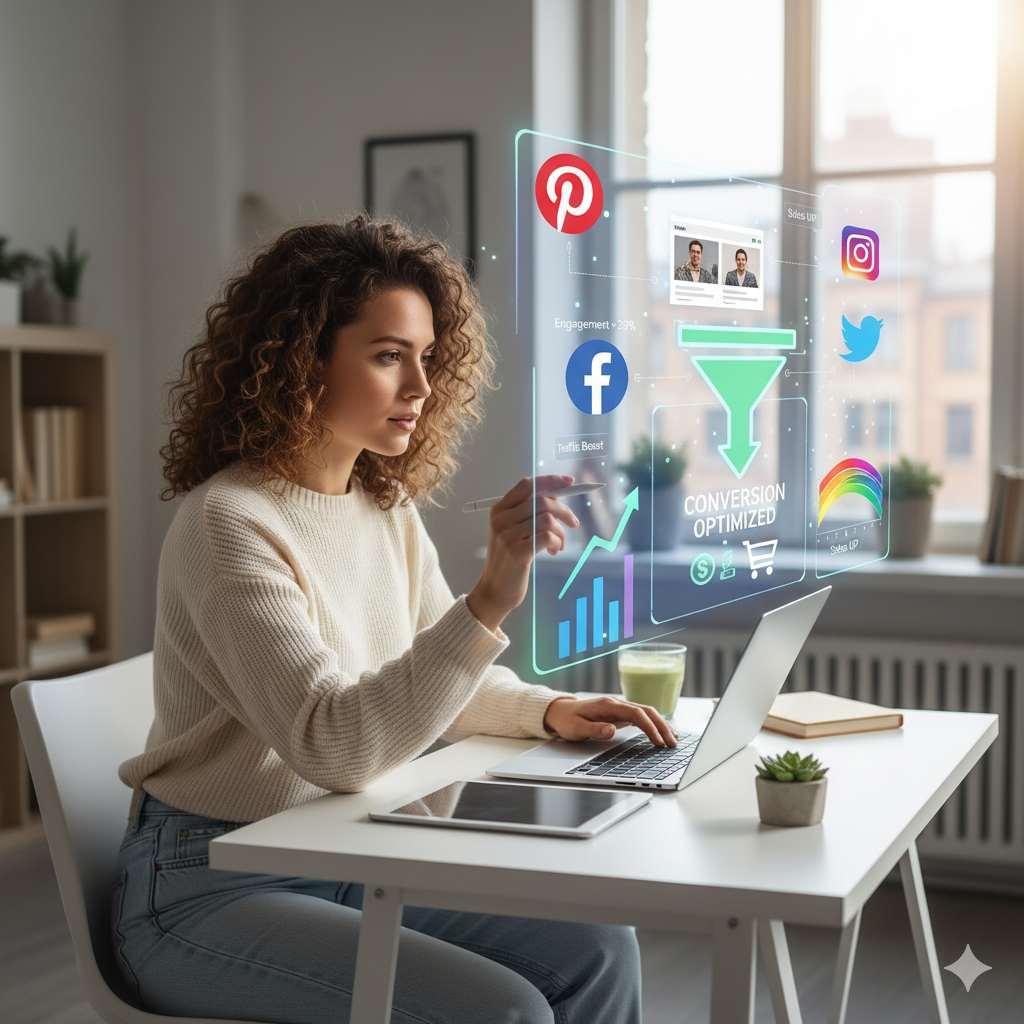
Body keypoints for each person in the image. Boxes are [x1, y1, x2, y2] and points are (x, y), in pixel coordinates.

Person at [111, 217, 676, 1024]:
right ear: (302, 360)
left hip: (348, 848)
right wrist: (490, 600)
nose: (420, 386)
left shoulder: (384, 506)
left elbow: (429, 682)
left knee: (600, 949)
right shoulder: (227, 523)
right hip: (208, 882)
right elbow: (333, 742)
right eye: (387, 355)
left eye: (426, 357)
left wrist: (548, 710)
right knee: (502, 1010)